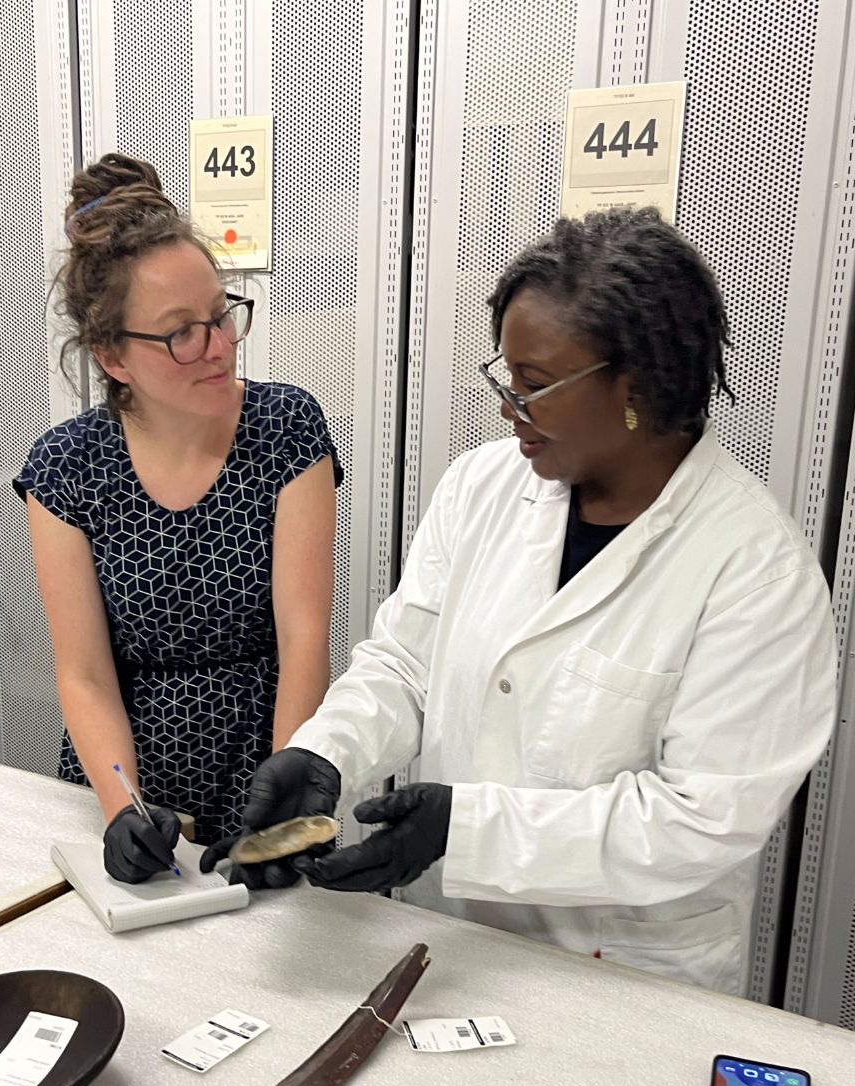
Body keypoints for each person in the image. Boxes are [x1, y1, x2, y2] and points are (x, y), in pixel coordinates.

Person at [202, 206, 836, 995]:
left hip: (624, 976)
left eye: (534, 386)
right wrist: (327, 751)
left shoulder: (755, 573)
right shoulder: (482, 486)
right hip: (454, 943)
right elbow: (404, 664)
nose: (508, 407)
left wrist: (464, 829)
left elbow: (697, 821)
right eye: (504, 376)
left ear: (635, 386)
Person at [16, 153, 341, 882]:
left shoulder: (286, 429)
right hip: (124, 772)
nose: (219, 346)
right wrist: (121, 804)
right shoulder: (67, 468)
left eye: (221, 315)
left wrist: (284, 805)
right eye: (181, 333)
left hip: (263, 761)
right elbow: (85, 674)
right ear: (113, 356)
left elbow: (305, 638)